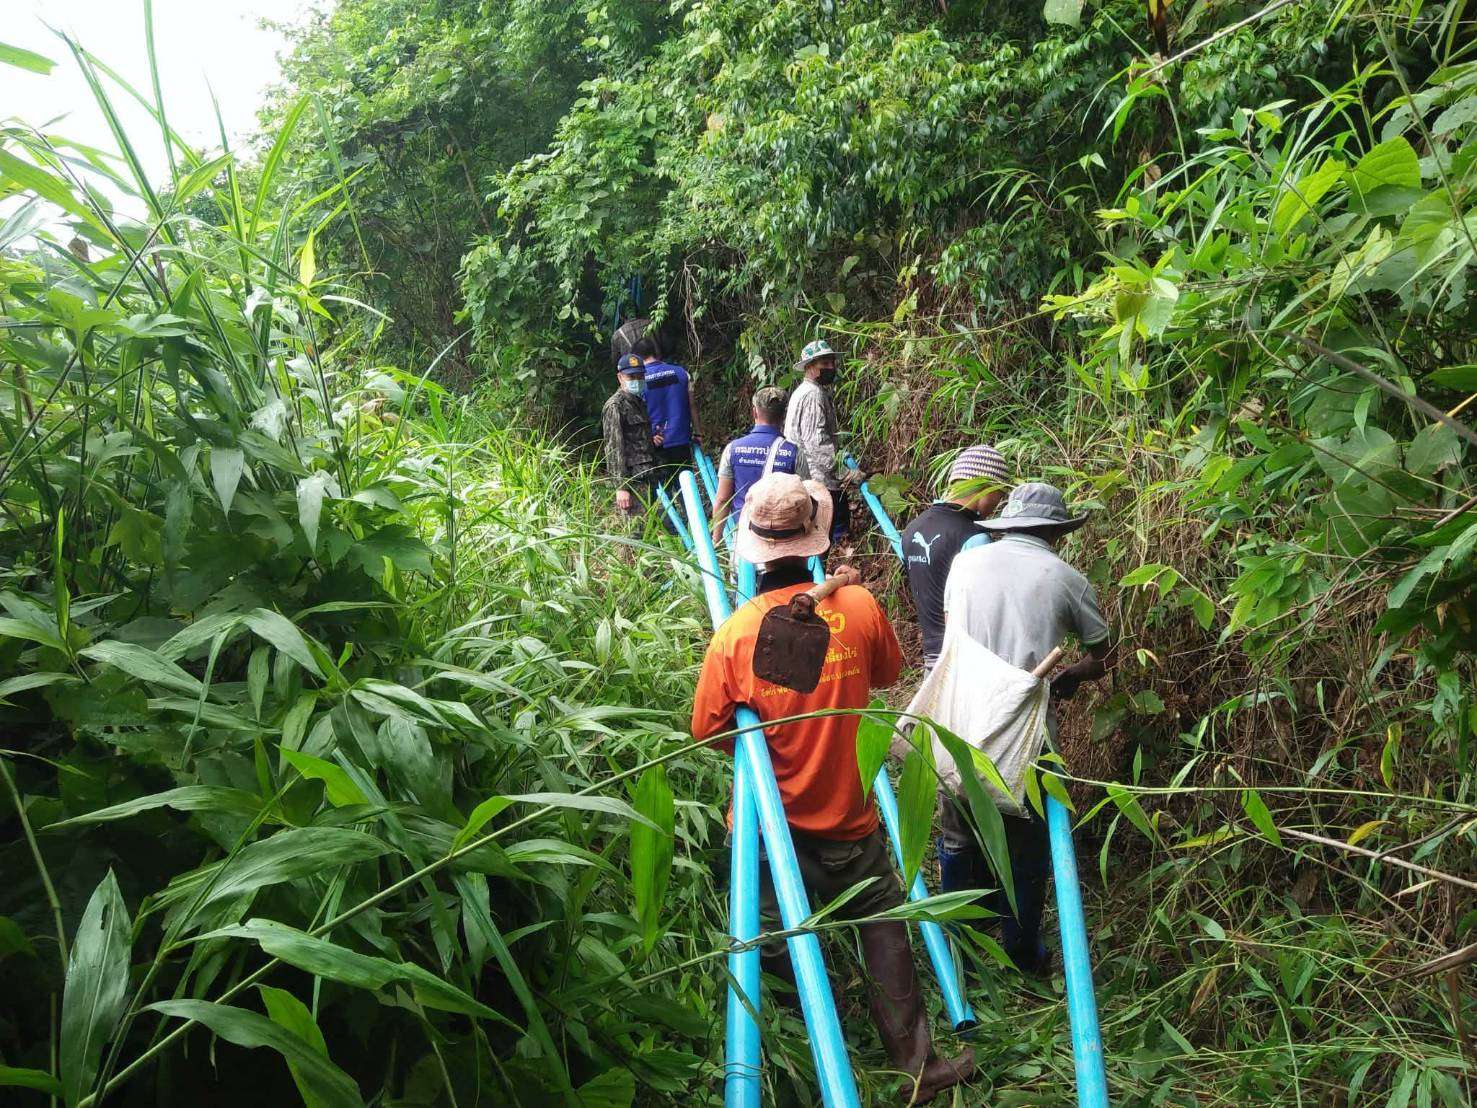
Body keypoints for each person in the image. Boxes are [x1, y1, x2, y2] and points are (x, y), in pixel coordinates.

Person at [691, 473, 975, 1104]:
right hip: (850, 820)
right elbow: (887, 673)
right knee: (882, 926)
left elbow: (708, 732)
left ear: (754, 548)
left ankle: (782, 1070)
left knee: (767, 944)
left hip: (771, 830)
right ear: (811, 541)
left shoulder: (737, 633)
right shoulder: (860, 607)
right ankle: (916, 1067)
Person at [937, 482, 1113, 974]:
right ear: (1056, 531)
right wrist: (1071, 676)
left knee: (959, 832)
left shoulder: (966, 564)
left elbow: (954, 635)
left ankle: (962, 949)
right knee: (1027, 843)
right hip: (1026, 732)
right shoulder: (1066, 579)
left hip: (961, 715)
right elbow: (1104, 654)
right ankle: (1021, 952)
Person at [901, 444, 1010, 671]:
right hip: (964, 661)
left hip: (931, 658)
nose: (997, 504)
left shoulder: (912, 529)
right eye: (999, 495)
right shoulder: (974, 538)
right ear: (985, 488)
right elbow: (983, 610)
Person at [708, 386, 809, 545]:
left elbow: (722, 499)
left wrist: (716, 539)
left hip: (744, 538)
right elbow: (805, 498)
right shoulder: (794, 453)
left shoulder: (733, 450)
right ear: (783, 415)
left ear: (754, 412)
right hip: (783, 539)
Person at [784, 339, 862, 542]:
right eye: (824, 364)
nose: (831, 368)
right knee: (827, 534)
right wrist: (843, 473)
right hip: (818, 480)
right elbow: (816, 442)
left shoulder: (805, 392)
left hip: (809, 476)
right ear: (809, 367)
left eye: (832, 363)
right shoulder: (812, 395)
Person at [633, 334, 702, 494]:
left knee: (661, 495)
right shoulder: (682, 373)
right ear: (655, 352)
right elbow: (692, 405)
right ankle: (693, 518)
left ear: (636, 358)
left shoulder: (640, 382)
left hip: (656, 443)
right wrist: (698, 433)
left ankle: (667, 519)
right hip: (681, 439)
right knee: (686, 490)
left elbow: (637, 415)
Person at [601, 354, 657, 519]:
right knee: (637, 532)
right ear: (620, 377)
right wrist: (621, 487)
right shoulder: (615, 406)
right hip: (632, 481)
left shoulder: (639, 402)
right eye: (631, 376)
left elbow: (637, 438)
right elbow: (613, 448)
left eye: (640, 376)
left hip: (648, 474)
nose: (637, 380)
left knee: (651, 528)